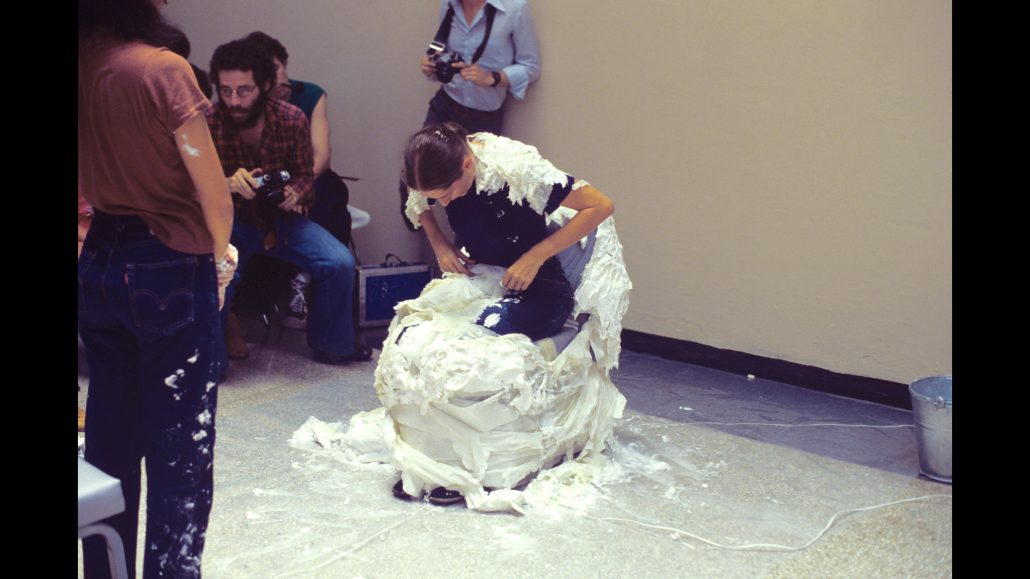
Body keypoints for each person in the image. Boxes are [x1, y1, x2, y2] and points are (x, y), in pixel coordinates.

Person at [78, 0, 236, 576]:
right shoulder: (160, 69)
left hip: (99, 262)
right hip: (168, 264)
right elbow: (215, 196)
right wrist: (222, 259)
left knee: (110, 441)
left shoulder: (87, 62)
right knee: (181, 453)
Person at [395, 122, 614, 503]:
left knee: (475, 350)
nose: (445, 203)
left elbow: (600, 205)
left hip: (540, 287)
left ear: (467, 165)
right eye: (438, 197)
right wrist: (440, 244)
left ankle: (467, 466)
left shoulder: (514, 167)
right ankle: (432, 455)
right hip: (482, 274)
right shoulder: (430, 174)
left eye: (448, 193)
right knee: (414, 333)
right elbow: (417, 201)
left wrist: (535, 256)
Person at [206, 39, 371, 365]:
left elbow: (306, 176)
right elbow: (187, 188)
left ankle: (332, 345)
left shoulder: (292, 118)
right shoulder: (206, 122)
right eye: (226, 91)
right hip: (227, 221)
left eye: (244, 90)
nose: (235, 101)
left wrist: (297, 192)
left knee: (338, 263)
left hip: (279, 220)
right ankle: (212, 358)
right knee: (212, 274)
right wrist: (225, 184)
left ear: (265, 85)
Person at [242, 31, 356, 330]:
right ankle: (281, 285)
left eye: (276, 69)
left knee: (328, 196)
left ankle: (306, 281)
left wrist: (298, 188)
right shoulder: (251, 104)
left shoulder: (310, 95)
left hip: (310, 178)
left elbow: (321, 157)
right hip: (268, 185)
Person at [400, 0, 541, 230]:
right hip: (445, 105)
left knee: (469, 196)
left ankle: (466, 259)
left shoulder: (515, 9)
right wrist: (432, 65)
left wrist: (493, 78)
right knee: (416, 172)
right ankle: (428, 236)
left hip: (482, 117)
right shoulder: (449, 5)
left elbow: (531, 67)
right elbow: (443, 50)